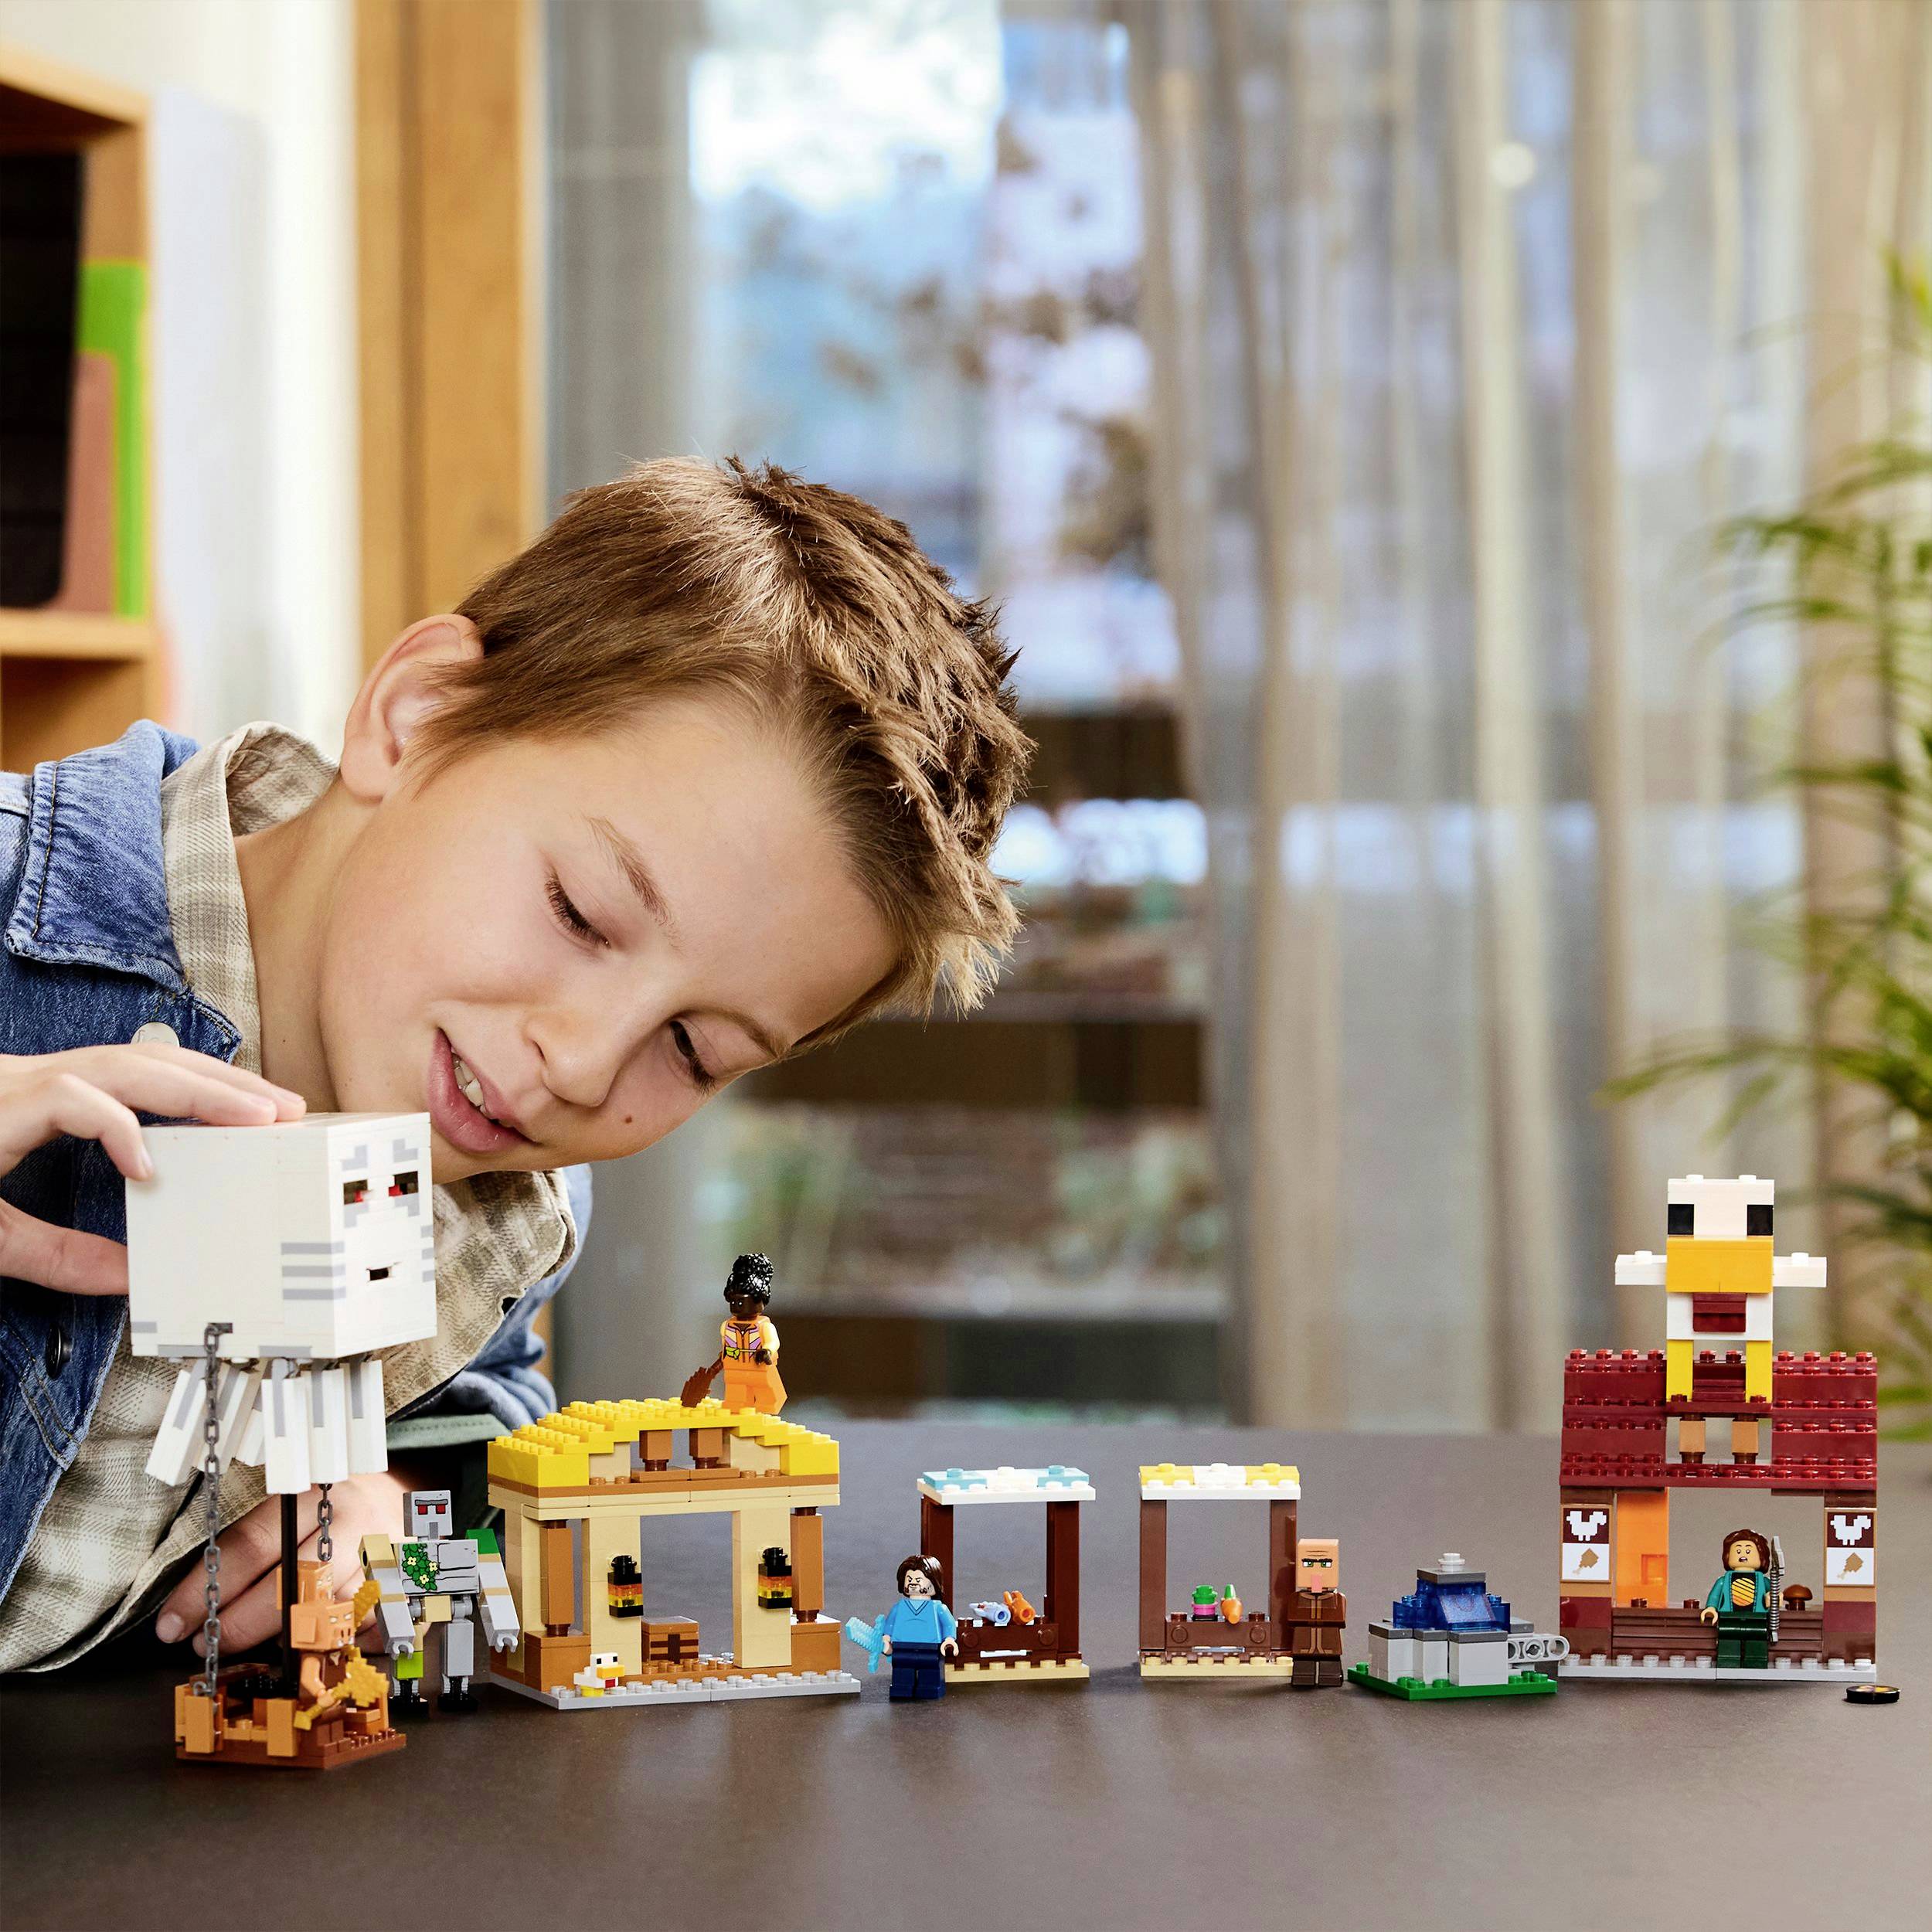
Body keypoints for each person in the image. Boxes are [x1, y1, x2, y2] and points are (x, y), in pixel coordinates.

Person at [0, 457, 1030, 1672]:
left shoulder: (501, 1186)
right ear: (418, 714)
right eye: (583, 913)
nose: (584, 1067)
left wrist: (390, 1504)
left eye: (693, 1051)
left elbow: (483, 1416)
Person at [880, 1553, 959, 1702]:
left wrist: (949, 1639)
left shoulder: (938, 1608)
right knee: (902, 1670)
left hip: (930, 1647)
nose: (913, 1583)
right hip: (902, 1646)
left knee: (930, 1670)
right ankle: (901, 1687)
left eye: (919, 1579)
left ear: (934, 1582)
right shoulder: (899, 1607)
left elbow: (948, 1624)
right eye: (909, 1579)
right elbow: (889, 1624)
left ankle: (930, 1688)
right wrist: (886, 1638)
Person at [1699, 1527, 1776, 1669]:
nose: (1743, 1555)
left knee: (1757, 1637)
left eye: (1748, 1551)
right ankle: (1728, 1660)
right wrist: (1711, 1608)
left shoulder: (1763, 1581)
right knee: (1728, 1637)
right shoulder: (1723, 1580)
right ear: (1728, 1556)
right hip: (1729, 1616)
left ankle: (1756, 1660)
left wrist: (1774, 1598)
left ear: (1761, 1556)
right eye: (1738, 1551)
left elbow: (1774, 1594)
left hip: (1757, 1618)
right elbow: (1715, 1595)